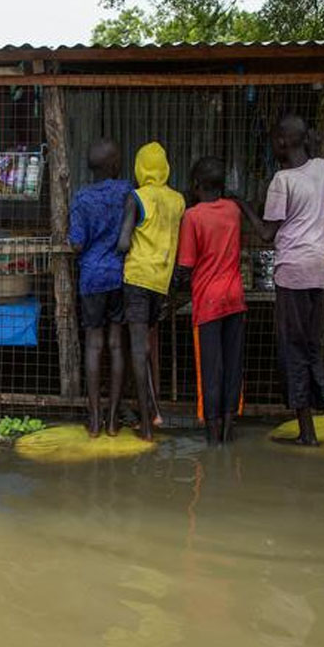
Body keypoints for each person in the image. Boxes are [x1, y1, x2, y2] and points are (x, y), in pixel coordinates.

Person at [231, 114, 324, 454]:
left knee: (299, 352)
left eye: (275, 139)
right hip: (318, 271)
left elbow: (266, 233)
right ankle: (307, 430)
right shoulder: (321, 168)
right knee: (307, 349)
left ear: (284, 142)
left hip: (292, 272)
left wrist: (242, 204)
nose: (273, 145)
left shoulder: (282, 180)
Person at [117, 141, 186, 440]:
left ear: (139, 168)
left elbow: (122, 242)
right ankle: (155, 410)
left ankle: (146, 424)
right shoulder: (178, 200)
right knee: (145, 346)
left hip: (137, 279)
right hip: (162, 281)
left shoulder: (136, 197)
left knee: (136, 347)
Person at [176, 156, 246, 445]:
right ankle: (229, 430)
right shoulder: (233, 210)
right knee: (232, 366)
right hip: (235, 297)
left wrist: (171, 291)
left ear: (195, 185)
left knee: (210, 369)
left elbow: (185, 265)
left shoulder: (193, 217)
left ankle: (213, 437)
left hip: (208, 301)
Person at [68, 139, 132, 437]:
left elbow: (77, 243)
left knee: (94, 345)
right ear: (115, 165)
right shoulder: (127, 192)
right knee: (117, 345)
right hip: (120, 276)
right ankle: (113, 421)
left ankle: (93, 421)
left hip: (92, 278)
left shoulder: (82, 198)